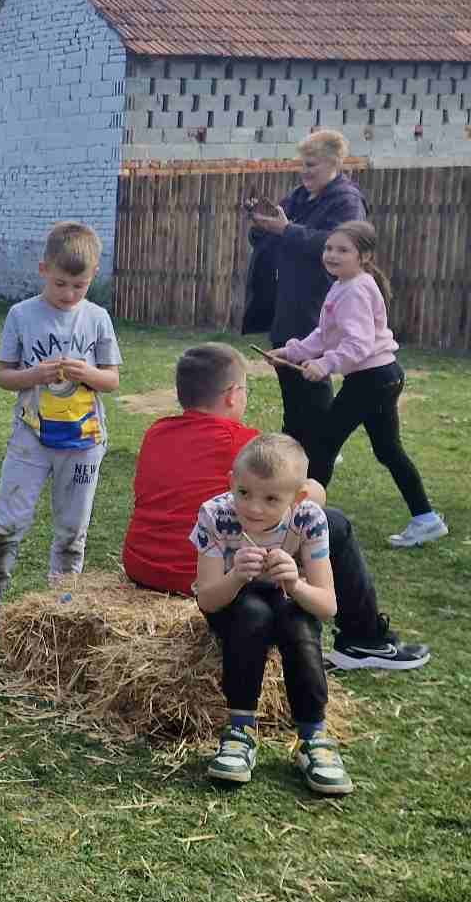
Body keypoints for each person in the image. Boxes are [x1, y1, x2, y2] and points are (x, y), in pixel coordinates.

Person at [122, 343, 428, 671]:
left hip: (143, 568)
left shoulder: (156, 432)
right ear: (232, 395)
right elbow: (309, 495)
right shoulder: (245, 446)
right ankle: (365, 639)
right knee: (332, 522)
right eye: (245, 390)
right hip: (201, 577)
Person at [0, 222, 122, 641]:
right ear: (43, 269)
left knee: (72, 528)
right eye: (61, 283)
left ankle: (61, 606)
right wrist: (34, 374)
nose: (69, 294)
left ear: (94, 275)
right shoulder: (22, 315)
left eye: (79, 286)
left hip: (84, 442)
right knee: (8, 520)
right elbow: (3, 376)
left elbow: (112, 380)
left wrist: (87, 373)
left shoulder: (97, 318)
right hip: (30, 437)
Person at [270, 221, 447, 548]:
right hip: (382, 376)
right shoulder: (345, 285)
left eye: (343, 250)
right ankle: (426, 519)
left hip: (371, 380)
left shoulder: (354, 290)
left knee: (323, 445)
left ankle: (300, 522)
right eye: (329, 248)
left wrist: (324, 364)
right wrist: (292, 351)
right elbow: (325, 334)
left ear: (364, 256)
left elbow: (358, 344)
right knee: (387, 450)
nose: (332, 255)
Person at [193, 435, 351, 798]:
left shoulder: (308, 519)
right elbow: (207, 600)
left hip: (288, 596)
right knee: (252, 615)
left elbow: (327, 606)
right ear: (231, 481)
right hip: (234, 600)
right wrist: (236, 576)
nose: (254, 508)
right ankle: (240, 730)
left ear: (297, 498)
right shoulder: (215, 514)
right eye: (244, 492)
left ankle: (313, 737)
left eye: (271, 499)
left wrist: (294, 583)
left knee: (299, 624)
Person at [243, 129, 367, 455]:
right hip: (287, 302)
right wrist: (260, 224)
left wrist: (286, 229)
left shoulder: (347, 201)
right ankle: (294, 445)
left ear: (334, 163)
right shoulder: (299, 196)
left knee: (312, 378)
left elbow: (336, 245)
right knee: (287, 372)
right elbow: (274, 234)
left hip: (317, 303)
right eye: (303, 164)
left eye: (311, 165)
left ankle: (322, 449)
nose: (304, 172)